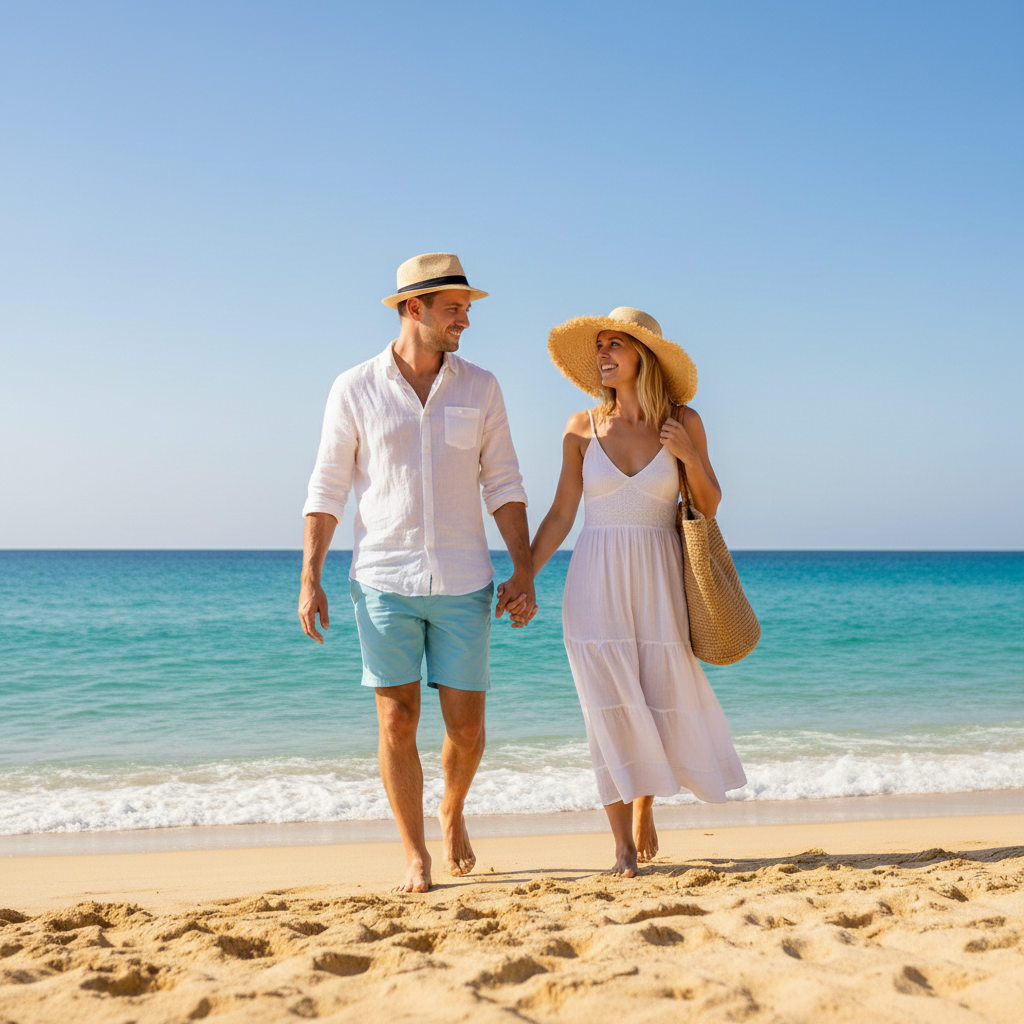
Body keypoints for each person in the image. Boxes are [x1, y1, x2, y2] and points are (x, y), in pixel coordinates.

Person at [298, 253, 535, 893]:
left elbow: (504, 483)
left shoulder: (482, 387)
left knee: (467, 729)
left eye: (466, 309)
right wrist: (310, 577)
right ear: (414, 308)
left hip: (464, 579)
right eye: (454, 309)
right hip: (383, 578)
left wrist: (524, 569)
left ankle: (452, 810)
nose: (466, 321)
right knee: (397, 720)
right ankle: (415, 854)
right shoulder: (354, 388)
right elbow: (327, 487)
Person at [529, 306, 746, 877]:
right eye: (599, 345)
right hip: (593, 580)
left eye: (614, 345)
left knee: (654, 694)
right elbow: (561, 514)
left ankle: (646, 804)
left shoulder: (684, 421)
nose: (603, 354)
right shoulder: (581, 428)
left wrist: (688, 454)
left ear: (643, 355)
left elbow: (709, 504)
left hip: (660, 577)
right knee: (609, 707)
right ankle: (621, 845)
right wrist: (524, 573)